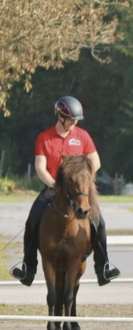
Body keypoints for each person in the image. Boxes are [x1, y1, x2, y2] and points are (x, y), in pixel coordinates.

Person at [10, 96, 121, 286]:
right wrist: (54, 185)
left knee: (99, 222)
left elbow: (95, 161)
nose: (74, 122)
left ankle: (103, 266)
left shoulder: (82, 136)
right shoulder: (44, 137)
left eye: (76, 120)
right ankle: (28, 267)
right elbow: (40, 167)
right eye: (70, 119)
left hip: (79, 190)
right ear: (60, 116)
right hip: (54, 187)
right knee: (32, 220)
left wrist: (83, 179)